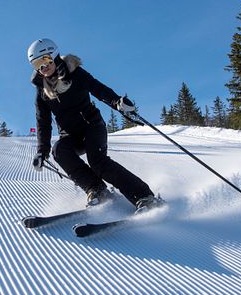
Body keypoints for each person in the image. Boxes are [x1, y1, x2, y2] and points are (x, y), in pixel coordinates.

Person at [27, 38, 165, 214]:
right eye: (37, 64)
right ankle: (97, 190)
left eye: (45, 60)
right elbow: (43, 122)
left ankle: (144, 196)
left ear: (54, 56)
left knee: (98, 162)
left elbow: (98, 88)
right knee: (59, 150)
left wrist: (117, 102)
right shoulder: (42, 92)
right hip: (70, 135)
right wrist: (42, 150)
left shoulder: (75, 73)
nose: (43, 67)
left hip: (91, 126)